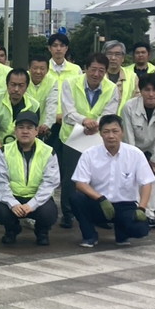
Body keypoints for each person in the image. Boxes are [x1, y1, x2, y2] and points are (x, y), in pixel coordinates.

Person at [71, 114, 154, 247]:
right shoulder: (89, 154)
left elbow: (147, 182)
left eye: (115, 131)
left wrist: (142, 208)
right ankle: (90, 236)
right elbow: (80, 183)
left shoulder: (135, 153)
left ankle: (122, 234)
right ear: (100, 134)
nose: (111, 136)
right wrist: (100, 199)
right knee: (76, 198)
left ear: (122, 132)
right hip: (98, 203)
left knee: (140, 229)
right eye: (106, 131)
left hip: (125, 204)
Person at [58, 53, 120, 228]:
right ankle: (68, 214)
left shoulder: (112, 88)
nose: (96, 74)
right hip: (73, 137)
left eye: (101, 71)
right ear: (86, 69)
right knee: (70, 178)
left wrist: (95, 125)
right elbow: (68, 111)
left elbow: (110, 112)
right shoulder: (70, 83)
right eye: (93, 69)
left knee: (99, 177)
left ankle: (99, 214)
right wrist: (84, 121)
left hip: (99, 137)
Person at [0, 111, 59, 246]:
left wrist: (31, 205)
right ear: (15, 131)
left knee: (49, 212)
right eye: (21, 127)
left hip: (37, 198)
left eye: (29, 128)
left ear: (36, 131)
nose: (25, 131)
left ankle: (42, 231)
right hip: (13, 197)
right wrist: (13, 203)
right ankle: (12, 229)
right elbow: (0, 181)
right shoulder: (4, 151)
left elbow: (50, 183)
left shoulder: (48, 151)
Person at [120, 72, 155, 227]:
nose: (151, 94)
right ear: (141, 91)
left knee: (154, 176)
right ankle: (133, 210)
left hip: (153, 149)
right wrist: (133, 159)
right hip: (133, 147)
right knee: (132, 177)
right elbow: (128, 135)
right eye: (147, 90)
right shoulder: (129, 107)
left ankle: (149, 213)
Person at [0, 68, 40, 164]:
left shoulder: (34, 105)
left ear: (26, 87)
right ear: (7, 84)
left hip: (16, 148)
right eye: (13, 85)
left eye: (21, 85)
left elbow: (34, 131)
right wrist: (1, 150)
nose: (16, 89)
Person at [103, 40, 135, 111]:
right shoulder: (97, 75)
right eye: (109, 54)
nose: (113, 58)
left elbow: (137, 101)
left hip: (124, 119)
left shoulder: (132, 77)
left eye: (117, 54)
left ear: (123, 58)